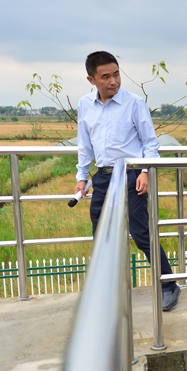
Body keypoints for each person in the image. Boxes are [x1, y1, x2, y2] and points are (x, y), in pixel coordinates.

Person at [74, 51, 181, 311]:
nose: (113, 81)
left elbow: (150, 143)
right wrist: (81, 177)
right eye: (105, 77)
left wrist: (145, 171)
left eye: (116, 74)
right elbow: (84, 145)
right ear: (91, 80)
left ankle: (168, 285)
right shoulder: (85, 105)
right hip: (102, 177)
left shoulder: (134, 103)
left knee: (141, 233)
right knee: (101, 235)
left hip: (132, 175)